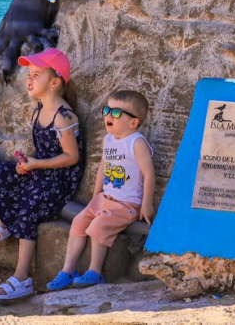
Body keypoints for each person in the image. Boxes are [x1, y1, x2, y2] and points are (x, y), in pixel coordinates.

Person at [0, 48, 85, 302]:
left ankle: (22, 277)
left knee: (30, 206)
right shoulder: (39, 110)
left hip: (60, 179)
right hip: (43, 169)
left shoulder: (64, 117)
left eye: (36, 74)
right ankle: (7, 219)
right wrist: (27, 162)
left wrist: (37, 165)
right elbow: (40, 149)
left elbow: (72, 157)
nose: (29, 79)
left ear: (55, 82)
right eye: (29, 74)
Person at [48, 90, 156, 290]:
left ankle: (95, 272)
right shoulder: (109, 140)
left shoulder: (136, 142)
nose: (108, 116)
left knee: (99, 225)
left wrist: (147, 204)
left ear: (133, 122)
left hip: (126, 204)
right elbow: (102, 169)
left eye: (116, 113)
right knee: (79, 221)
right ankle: (68, 269)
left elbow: (149, 174)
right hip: (105, 198)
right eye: (107, 110)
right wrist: (95, 196)